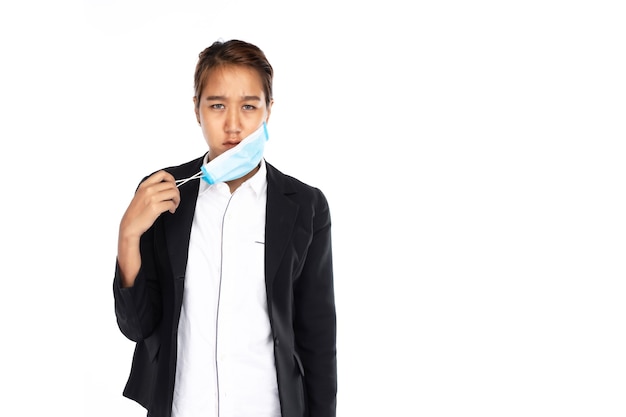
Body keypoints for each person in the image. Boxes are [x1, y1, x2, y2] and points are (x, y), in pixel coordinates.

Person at [113, 39, 337, 417]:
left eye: (249, 106)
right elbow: (138, 327)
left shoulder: (305, 205)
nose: (233, 125)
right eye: (217, 105)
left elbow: (317, 338)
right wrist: (128, 235)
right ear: (197, 110)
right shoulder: (160, 194)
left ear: (268, 111)